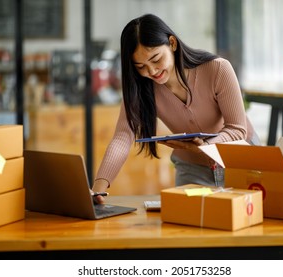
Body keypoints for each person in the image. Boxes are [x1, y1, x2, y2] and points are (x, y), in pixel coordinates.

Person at [92, 14, 260, 203]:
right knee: (189, 221)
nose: (152, 71)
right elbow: (123, 137)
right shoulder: (141, 88)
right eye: (140, 66)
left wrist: (207, 146)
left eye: (155, 59)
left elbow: (237, 129)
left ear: (172, 43)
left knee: (245, 219)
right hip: (193, 169)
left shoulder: (217, 69)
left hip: (242, 162)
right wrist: (99, 188)